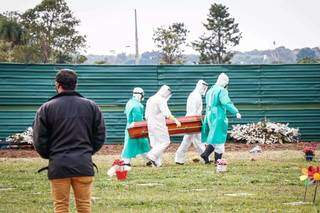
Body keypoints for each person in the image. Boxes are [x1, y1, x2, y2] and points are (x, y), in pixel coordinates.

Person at [33, 69, 105, 213]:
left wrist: (52, 155)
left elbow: (39, 140)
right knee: (84, 206)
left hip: (58, 165)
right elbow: (100, 135)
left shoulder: (46, 108)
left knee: (60, 206)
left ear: (57, 84)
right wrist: (87, 152)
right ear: (75, 84)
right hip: (83, 164)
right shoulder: (91, 106)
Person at [200, 73, 241, 164]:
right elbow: (226, 102)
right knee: (220, 138)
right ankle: (217, 160)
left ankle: (206, 154)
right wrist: (236, 111)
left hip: (209, 116)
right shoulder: (221, 90)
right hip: (218, 116)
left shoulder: (210, 90)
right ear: (224, 82)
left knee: (214, 137)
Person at [145, 85, 181, 167]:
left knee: (156, 144)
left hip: (150, 124)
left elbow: (146, 115)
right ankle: (152, 155)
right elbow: (167, 114)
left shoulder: (151, 99)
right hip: (159, 124)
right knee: (165, 142)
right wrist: (176, 120)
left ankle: (157, 163)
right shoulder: (161, 100)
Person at [175, 80, 208, 165]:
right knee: (188, 140)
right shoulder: (195, 96)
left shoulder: (194, 95)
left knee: (197, 140)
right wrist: (194, 121)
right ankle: (179, 158)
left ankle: (205, 156)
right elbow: (193, 111)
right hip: (192, 121)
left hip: (193, 120)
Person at [121, 87, 151, 166]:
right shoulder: (137, 106)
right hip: (136, 127)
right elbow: (138, 119)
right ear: (140, 95)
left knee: (141, 144)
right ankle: (126, 162)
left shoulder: (129, 102)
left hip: (130, 127)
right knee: (141, 143)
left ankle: (148, 160)